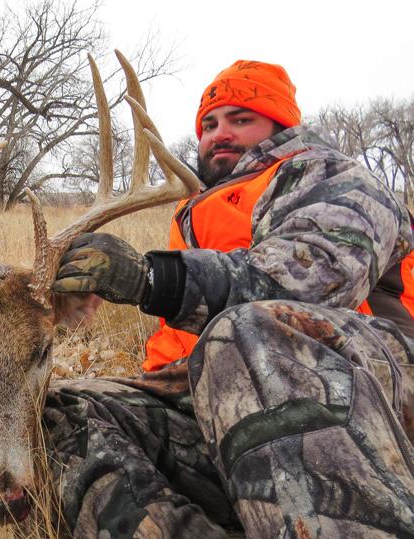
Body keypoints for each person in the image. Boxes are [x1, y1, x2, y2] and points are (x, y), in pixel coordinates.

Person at [45, 60, 414, 538]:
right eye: (209, 124)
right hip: (231, 411)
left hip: (369, 394)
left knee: (242, 332)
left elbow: (311, 283)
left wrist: (151, 279)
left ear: (281, 125)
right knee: (64, 411)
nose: (220, 133)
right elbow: (172, 354)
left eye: (242, 119)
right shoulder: (192, 215)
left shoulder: (331, 176)